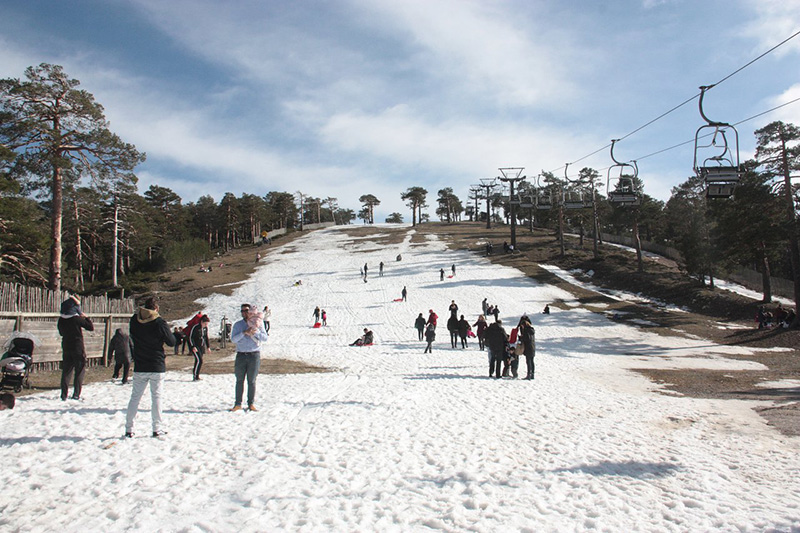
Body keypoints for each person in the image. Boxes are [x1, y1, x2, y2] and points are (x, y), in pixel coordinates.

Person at [125, 297, 176, 438]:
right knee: (157, 398)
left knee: (135, 397)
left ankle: (129, 428)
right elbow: (171, 342)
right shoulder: (159, 322)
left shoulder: (134, 320)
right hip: (156, 364)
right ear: (156, 308)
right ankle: (156, 428)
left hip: (140, 364)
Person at [230, 303, 269, 412]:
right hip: (241, 355)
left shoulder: (259, 323)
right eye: (242, 311)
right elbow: (233, 339)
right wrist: (243, 333)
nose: (244, 313)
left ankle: (251, 403)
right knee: (239, 380)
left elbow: (265, 338)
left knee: (251, 380)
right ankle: (237, 403)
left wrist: (255, 332)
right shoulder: (238, 325)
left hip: (254, 354)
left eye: (246, 310)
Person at [57, 297, 94, 401]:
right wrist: (86, 318)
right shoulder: (76, 319)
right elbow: (90, 327)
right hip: (77, 346)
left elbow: (61, 333)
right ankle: (76, 393)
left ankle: (63, 395)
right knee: (79, 370)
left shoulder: (61, 320)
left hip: (66, 346)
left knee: (66, 371)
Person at [188, 315, 211, 381]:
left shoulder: (205, 328)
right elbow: (191, 337)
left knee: (198, 361)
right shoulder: (195, 327)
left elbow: (206, 337)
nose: (206, 325)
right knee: (199, 361)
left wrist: (208, 347)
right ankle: (195, 376)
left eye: (207, 324)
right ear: (201, 322)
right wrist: (193, 346)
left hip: (201, 347)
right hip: (195, 347)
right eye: (205, 323)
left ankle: (197, 375)